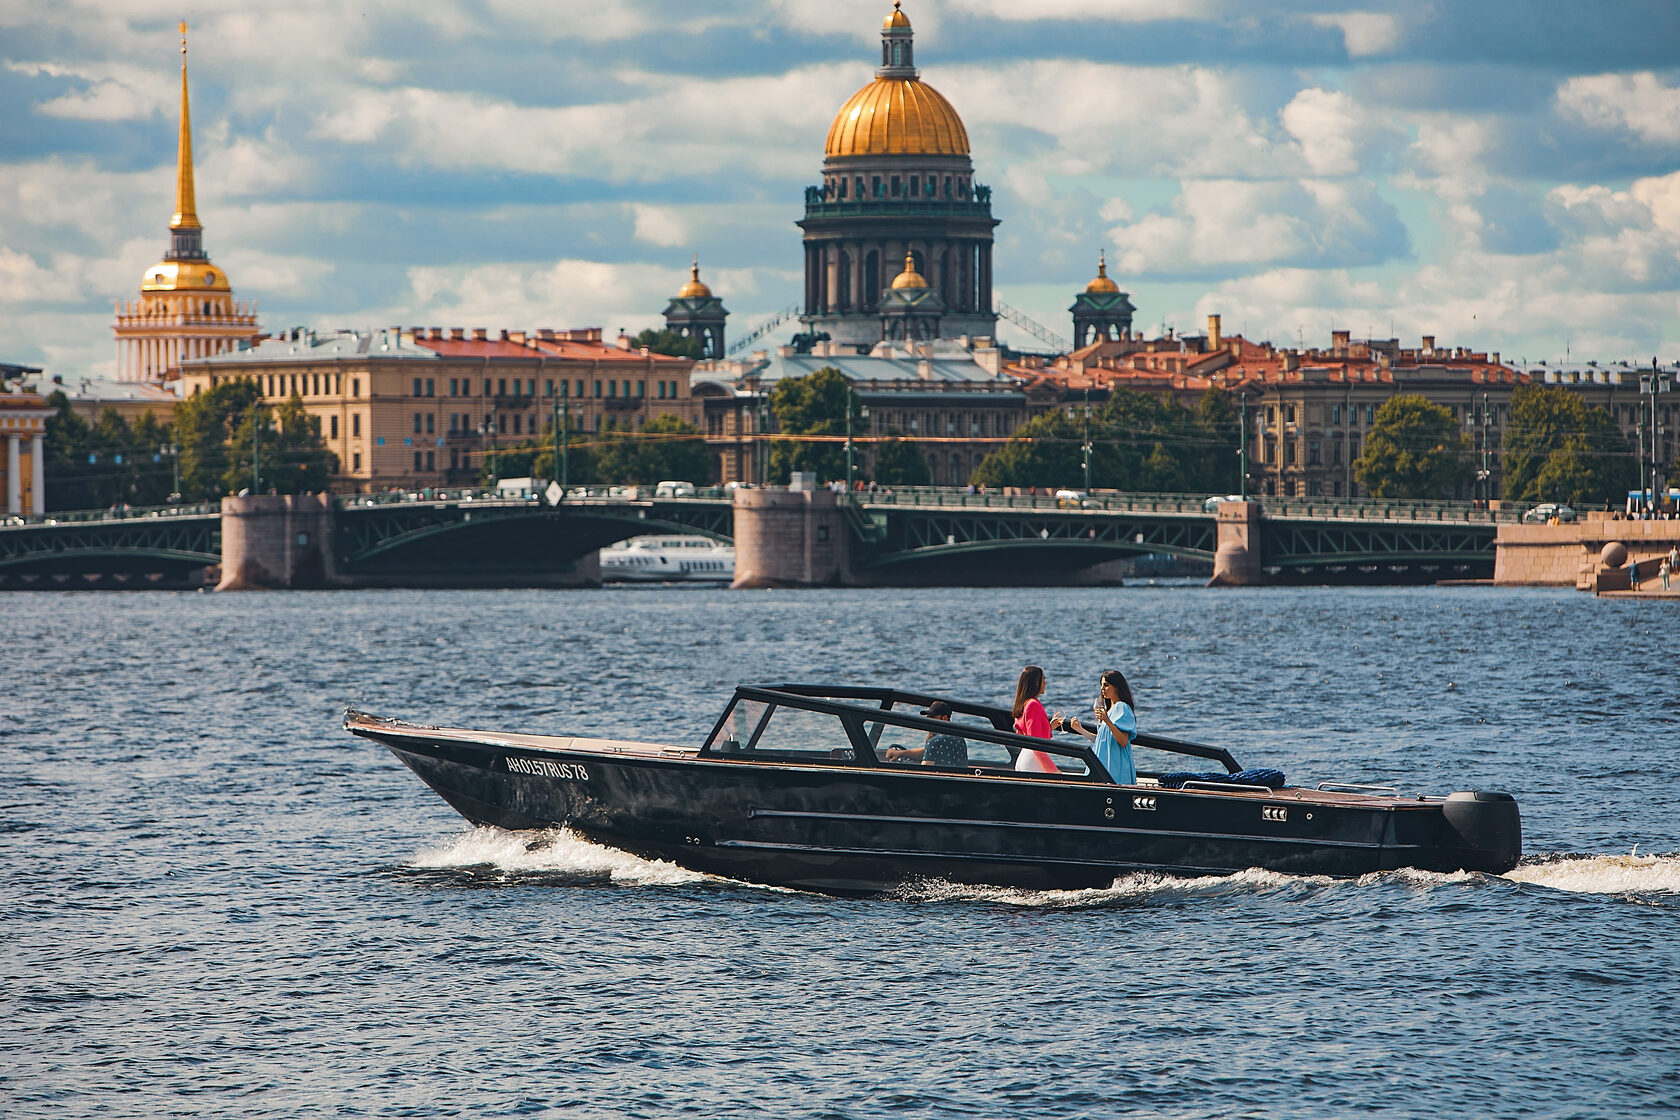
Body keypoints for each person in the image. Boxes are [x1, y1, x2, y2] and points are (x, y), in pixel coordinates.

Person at [1059, 670, 1138, 785]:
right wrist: (1080, 729)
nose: (1102, 689)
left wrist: (1107, 721)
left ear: (1116, 686)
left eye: (1106, 685)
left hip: (1115, 764)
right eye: (1101, 685)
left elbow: (1123, 741)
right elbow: (1101, 740)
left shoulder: (1122, 707)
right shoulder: (1110, 710)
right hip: (1104, 763)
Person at [1010, 665, 1061, 773]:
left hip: (1025, 757)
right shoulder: (1033, 704)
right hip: (1033, 759)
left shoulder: (1024, 704)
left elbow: (1028, 733)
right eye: (1043, 679)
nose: (1045, 683)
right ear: (1036, 683)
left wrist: (1049, 727)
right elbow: (1035, 743)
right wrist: (1053, 770)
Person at [883, 702, 968, 766]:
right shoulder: (959, 738)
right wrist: (902, 753)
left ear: (944, 718)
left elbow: (924, 771)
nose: (928, 721)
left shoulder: (935, 742)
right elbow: (928, 752)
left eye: (932, 717)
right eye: (928, 717)